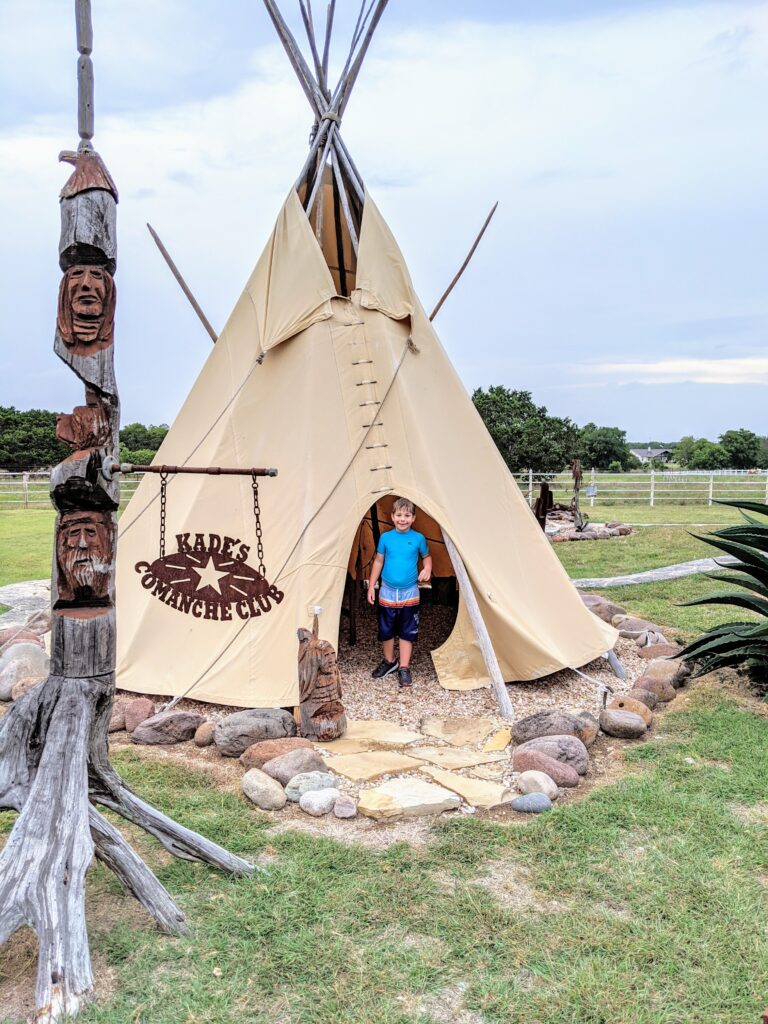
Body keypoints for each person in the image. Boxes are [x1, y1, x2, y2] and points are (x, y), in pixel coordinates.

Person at [367, 497, 432, 688]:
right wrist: (372, 586)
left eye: (407, 515)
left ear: (413, 518)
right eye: (399, 515)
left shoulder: (418, 538)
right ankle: (390, 662)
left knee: (407, 629)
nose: (402, 519)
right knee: (386, 629)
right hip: (387, 591)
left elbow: (426, 557)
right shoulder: (386, 538)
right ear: (392, 517)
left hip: (409, 591)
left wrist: (427, 568)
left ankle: (404, 667)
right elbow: (378, 561)